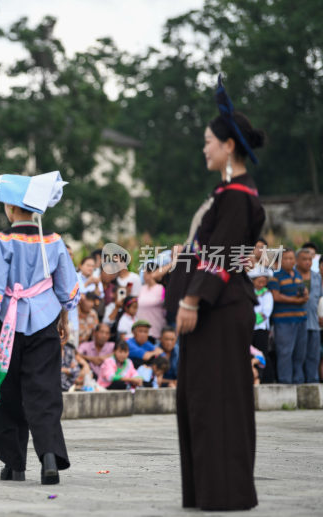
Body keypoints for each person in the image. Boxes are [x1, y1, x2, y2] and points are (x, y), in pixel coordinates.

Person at [168, 76, 265, 511]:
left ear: (229, 146)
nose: (204, 148)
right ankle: (206, 491)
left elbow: (223, 255)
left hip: (221, 311)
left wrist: (192, 300)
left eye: (209, 141)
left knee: (218, 402)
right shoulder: (227, 194)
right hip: (217, 310)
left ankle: (225, 493)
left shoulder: (238, 196)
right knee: (198, 400)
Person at [0, 171, 79, 484]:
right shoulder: (54, 241)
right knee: (45, 392)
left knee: (8, 392)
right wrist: (63, 321)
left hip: (9, 326)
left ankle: (14, 464)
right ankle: (49, 457)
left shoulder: (0, 241)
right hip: (46, 322)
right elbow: (66, 288)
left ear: (9, 209)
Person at [267, 248, 308, 384]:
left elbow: (304, 292)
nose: (289, 261)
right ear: (280, 261)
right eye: (286, 258)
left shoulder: (298, 275)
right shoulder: (275, 276)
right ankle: (285, 382)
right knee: (285, 353)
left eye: (291, 258)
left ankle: (298, 382)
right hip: (284, 320)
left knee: (300, 354)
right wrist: (296, 301)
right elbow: (276, 296)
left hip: (301, 318)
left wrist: (304, 296)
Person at [295, 247, 321, 383]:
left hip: (314, 322)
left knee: (313, 356)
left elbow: (320, 299)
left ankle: (313, 382)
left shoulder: (317, 276)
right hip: (296, 321)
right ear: (297, 260)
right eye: (304, 259)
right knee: (299, 355)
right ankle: (298, 381)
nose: (307, 262)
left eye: (310, 260)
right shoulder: (292, 274)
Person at [248, 267, 275, 383]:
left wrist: (252, 318)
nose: (261, 284)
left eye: (264, 282)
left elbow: (266, 312)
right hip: (249, 328)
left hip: (261, 328)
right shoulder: (249, 293)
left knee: (263, 353)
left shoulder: (267, 294)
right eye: (259, 281)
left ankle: (266, 379)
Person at [137, 263, 167, 339]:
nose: (143, 276)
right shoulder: (142, 288)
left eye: (145, 273)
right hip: (140, 331)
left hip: (156, 330)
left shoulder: (162, 289)